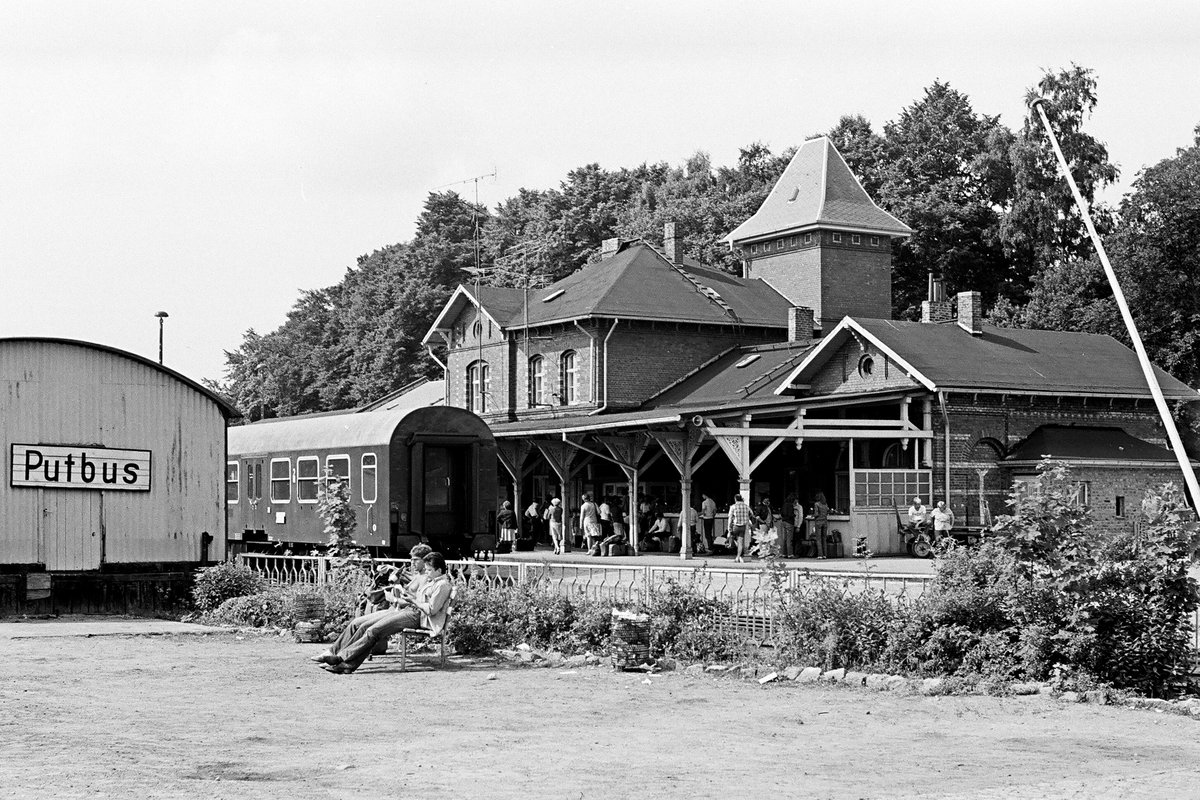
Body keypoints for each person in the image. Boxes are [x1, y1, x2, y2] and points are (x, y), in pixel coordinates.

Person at [312, 552, 452, 674]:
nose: (426, 573)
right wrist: (406, 598)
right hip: (411, 611)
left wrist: (412, 601)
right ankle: (344, 663)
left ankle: (342, 659)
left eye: (429, 570)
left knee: (374, 631)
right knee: (370, 629)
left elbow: (431, 610)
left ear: (438, 570)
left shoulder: (442, 585)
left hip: (419, 617)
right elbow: (422, 601)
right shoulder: (434, 581)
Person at [728, 493, 751, 563]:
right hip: (743, 527)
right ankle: (738, 556)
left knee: (731, 537)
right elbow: (752, 513)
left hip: (736, 526)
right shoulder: (746, 506)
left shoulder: (733, 506)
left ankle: (735, 551)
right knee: (740, 542)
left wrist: (729, 527)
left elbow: (730, 517)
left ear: (735, 499)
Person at [812, 492, 830, 559]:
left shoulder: (816, 504)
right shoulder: (825, 504)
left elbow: (816, 514)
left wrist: (813, 516)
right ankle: (825, 554)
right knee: (824, 539)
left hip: (818, 522)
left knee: (818, 539)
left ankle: (820, 555)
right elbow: (827, 512)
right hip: (825, 522)